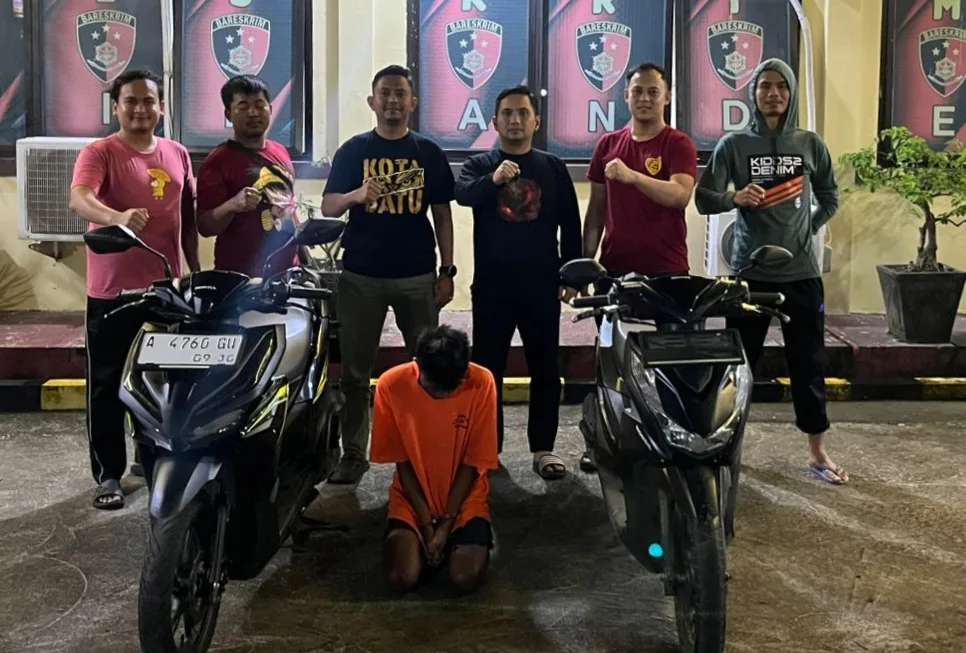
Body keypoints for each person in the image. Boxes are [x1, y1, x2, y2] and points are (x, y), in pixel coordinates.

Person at [695, 58, 848, 485]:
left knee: (808, 366)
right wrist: (734, 198)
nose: (773, 94)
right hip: (749, 275)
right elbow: (704, 198)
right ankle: (725, 450)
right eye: (765, 86)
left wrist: (806, 230)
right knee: (737, 370)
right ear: (753, 93)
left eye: (781, 86)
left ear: (791, 92)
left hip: (801, 275)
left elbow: (830, 197)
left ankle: (818, 452)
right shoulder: (734, 145)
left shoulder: (810, 144)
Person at [69, 68, 200, 509]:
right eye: (131, 101)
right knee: (106, 386)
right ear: (116, 108)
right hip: (113, 295)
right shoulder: (100, 152)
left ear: (161, 107)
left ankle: (153, 459)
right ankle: (109, 473)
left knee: (163, 384)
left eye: (149, 101)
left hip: (165, 292)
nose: (141, 109)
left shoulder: (178, 153)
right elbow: (79, 198)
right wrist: (117, 218)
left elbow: (186, 219)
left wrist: (193, 271)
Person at [321, 64, 456, 484]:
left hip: (417, 274)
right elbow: (328, 206)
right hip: (361, 276)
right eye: (385, 93)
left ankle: (425, 449)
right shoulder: (353, 151)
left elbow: (443, 215)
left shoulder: (428, 152)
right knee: (355, 373)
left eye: (400, 93)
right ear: (372, 101)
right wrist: (357, 195)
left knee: (427, 368)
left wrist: (447, 271)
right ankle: (353, 453)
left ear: (413, 102)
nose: (393, 100)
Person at [454, 85, 581, 479]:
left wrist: (571, 274)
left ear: (536, 121)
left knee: (545, 367)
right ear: (494, 122)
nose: (515, 120)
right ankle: (487, 450)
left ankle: (543, 448)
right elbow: (462, 195)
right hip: (493, 285)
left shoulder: (552, 167)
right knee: (487, 371)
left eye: (523, 113)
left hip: (541, 284)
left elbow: (570, 222)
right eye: (507, 114)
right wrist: (493, 179)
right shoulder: (480, 165)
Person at [579, 62, 698, 472]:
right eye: (637, 91)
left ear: (666, 97)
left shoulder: (677, 144)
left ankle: (671, 444)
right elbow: (596, 211)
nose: (644, 98)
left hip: (667, 273)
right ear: (626, 96)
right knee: (611, 365)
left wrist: (633, 177)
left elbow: (680, 196)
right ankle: (605, 441)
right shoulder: (608, 144)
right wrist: (586, 264)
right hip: (615, 273)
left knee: (667, 368)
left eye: (653, 91)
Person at [370, 325, 498, 595]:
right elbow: (403, 464)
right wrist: (428, 527)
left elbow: (472, 463)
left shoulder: (482, 381)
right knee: (402, 577)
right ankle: (428, 543)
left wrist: (446, 525)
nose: (443, 395)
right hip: (412, 498)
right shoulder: (391, 385)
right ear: (417, 365)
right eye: (434, 388)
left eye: (451, 388)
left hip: (465, 499)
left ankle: (457, 539)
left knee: (464, 577)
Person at [196, 74, 303, 277]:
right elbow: (205, 226)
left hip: (287, 273)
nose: (253, 113)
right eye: (243, 107)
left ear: (270, 109)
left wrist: (304, 258)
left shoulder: (281, 152)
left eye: (259, 105)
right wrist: (232, 205)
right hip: (240, 278)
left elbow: (289, 205)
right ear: (228, 114)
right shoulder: (218, 161)